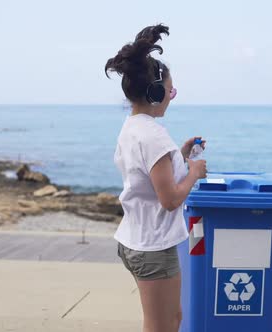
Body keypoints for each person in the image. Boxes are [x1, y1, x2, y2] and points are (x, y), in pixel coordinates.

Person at [105, 24, 207, 332]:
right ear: (156, 92)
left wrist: (179, 155)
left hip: (136, 240)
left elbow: (147, 172)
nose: (171, 98)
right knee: (161, 326)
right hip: (153, 247)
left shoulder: (133, 127)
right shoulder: (154, 136)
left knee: (172, 319)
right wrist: (194, 172)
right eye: (170, 91)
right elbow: (170, 199)